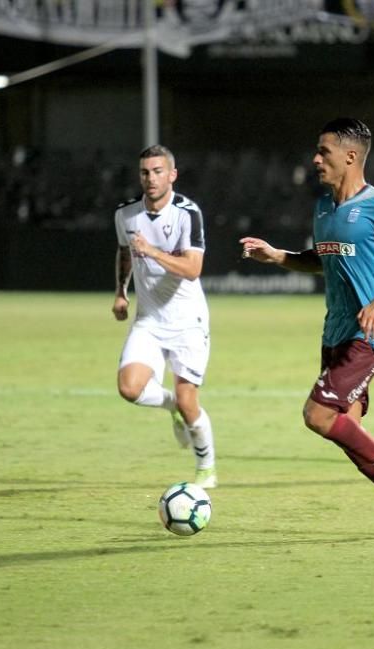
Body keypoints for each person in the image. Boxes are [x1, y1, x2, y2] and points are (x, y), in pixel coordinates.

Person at [239, 118, 374, 538]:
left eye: (323, 152)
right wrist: (279, 257)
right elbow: (322, 259)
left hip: (370, 336)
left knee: (318, 415)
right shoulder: (324, 207)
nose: (315, 159)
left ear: (350, 157)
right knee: (349, 429)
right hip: (335, 334)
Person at [112, 144, 217, 488]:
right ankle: (169, 404)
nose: (151, 178)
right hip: (150, 320)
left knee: (191, 403)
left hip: (188, 322)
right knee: (129, 388)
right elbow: (124, 252)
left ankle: (206, 469)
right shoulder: (126, 215)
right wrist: (121, 291)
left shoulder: (188, 213)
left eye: (158, 171)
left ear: (172, 175)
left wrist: (152, 251)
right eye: (145, 172)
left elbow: (193, 268)